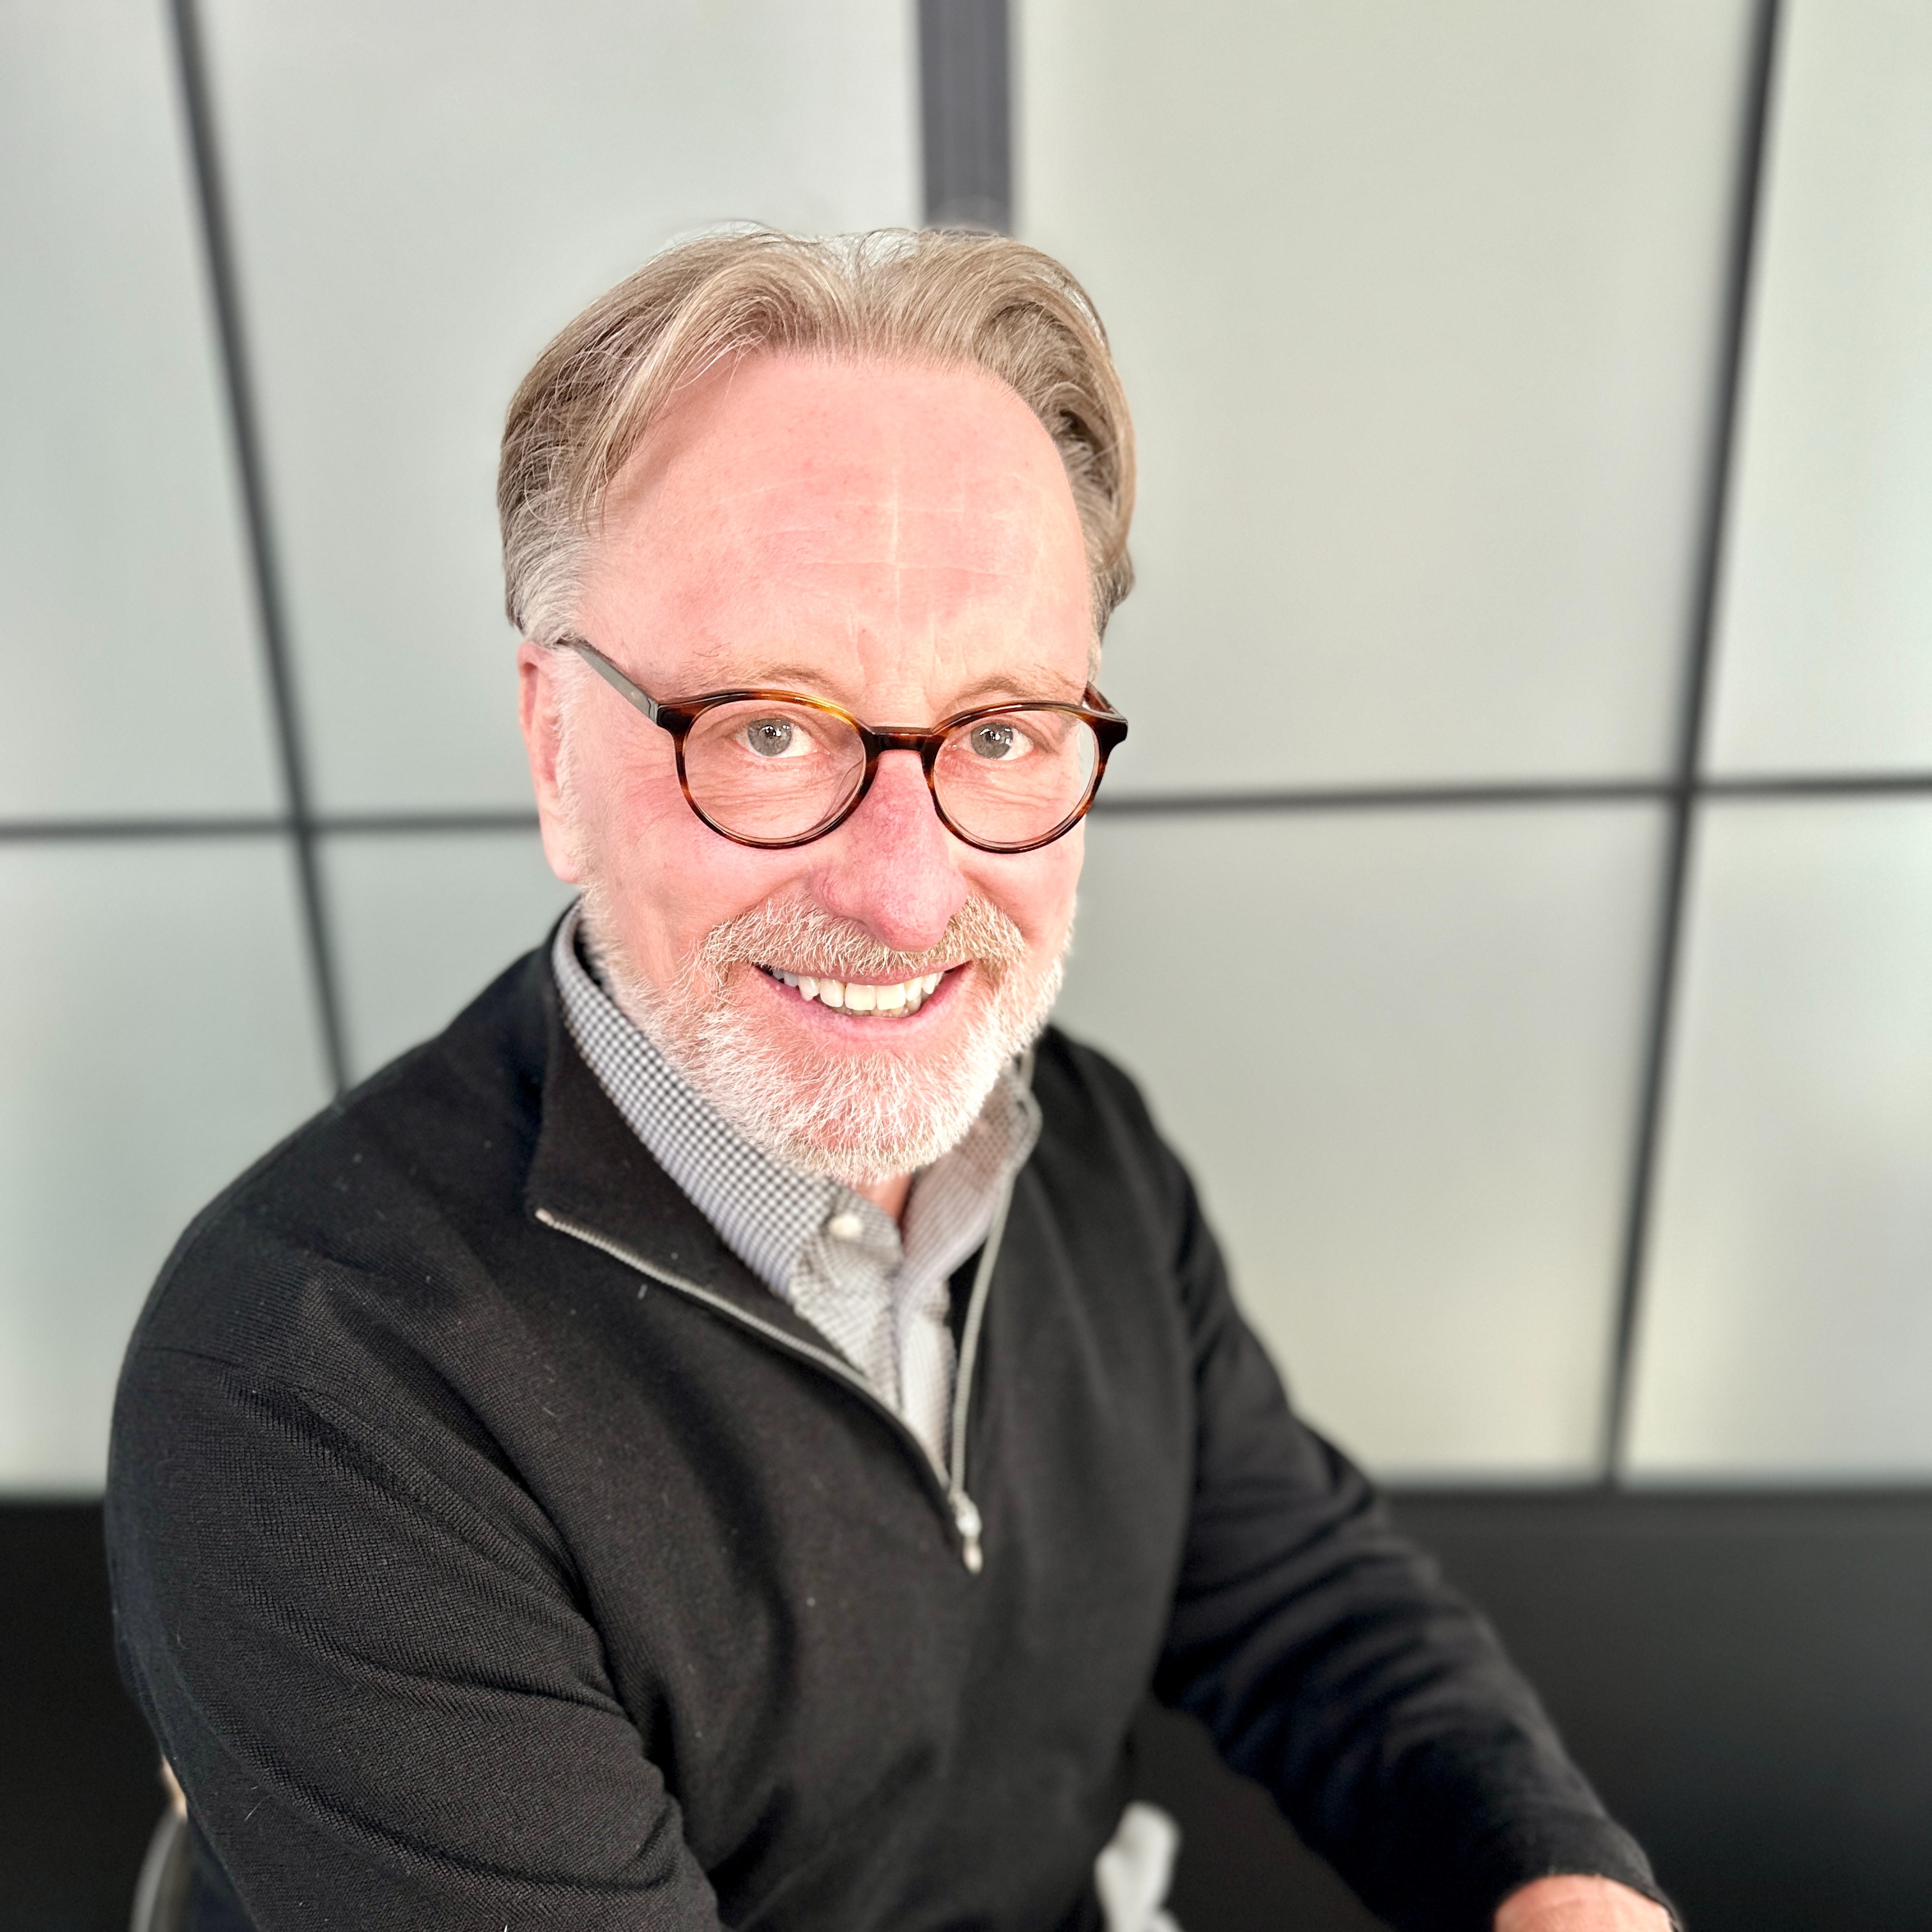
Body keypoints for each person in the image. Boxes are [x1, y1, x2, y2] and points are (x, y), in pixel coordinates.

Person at [107, 229, 1674, 1932]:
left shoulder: (1084, 1154)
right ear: (558, 748)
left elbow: (1305, 1603)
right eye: (770, 730)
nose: (909, 896)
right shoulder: (310, 1392)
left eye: (1002, 732)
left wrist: (1554, 1879)